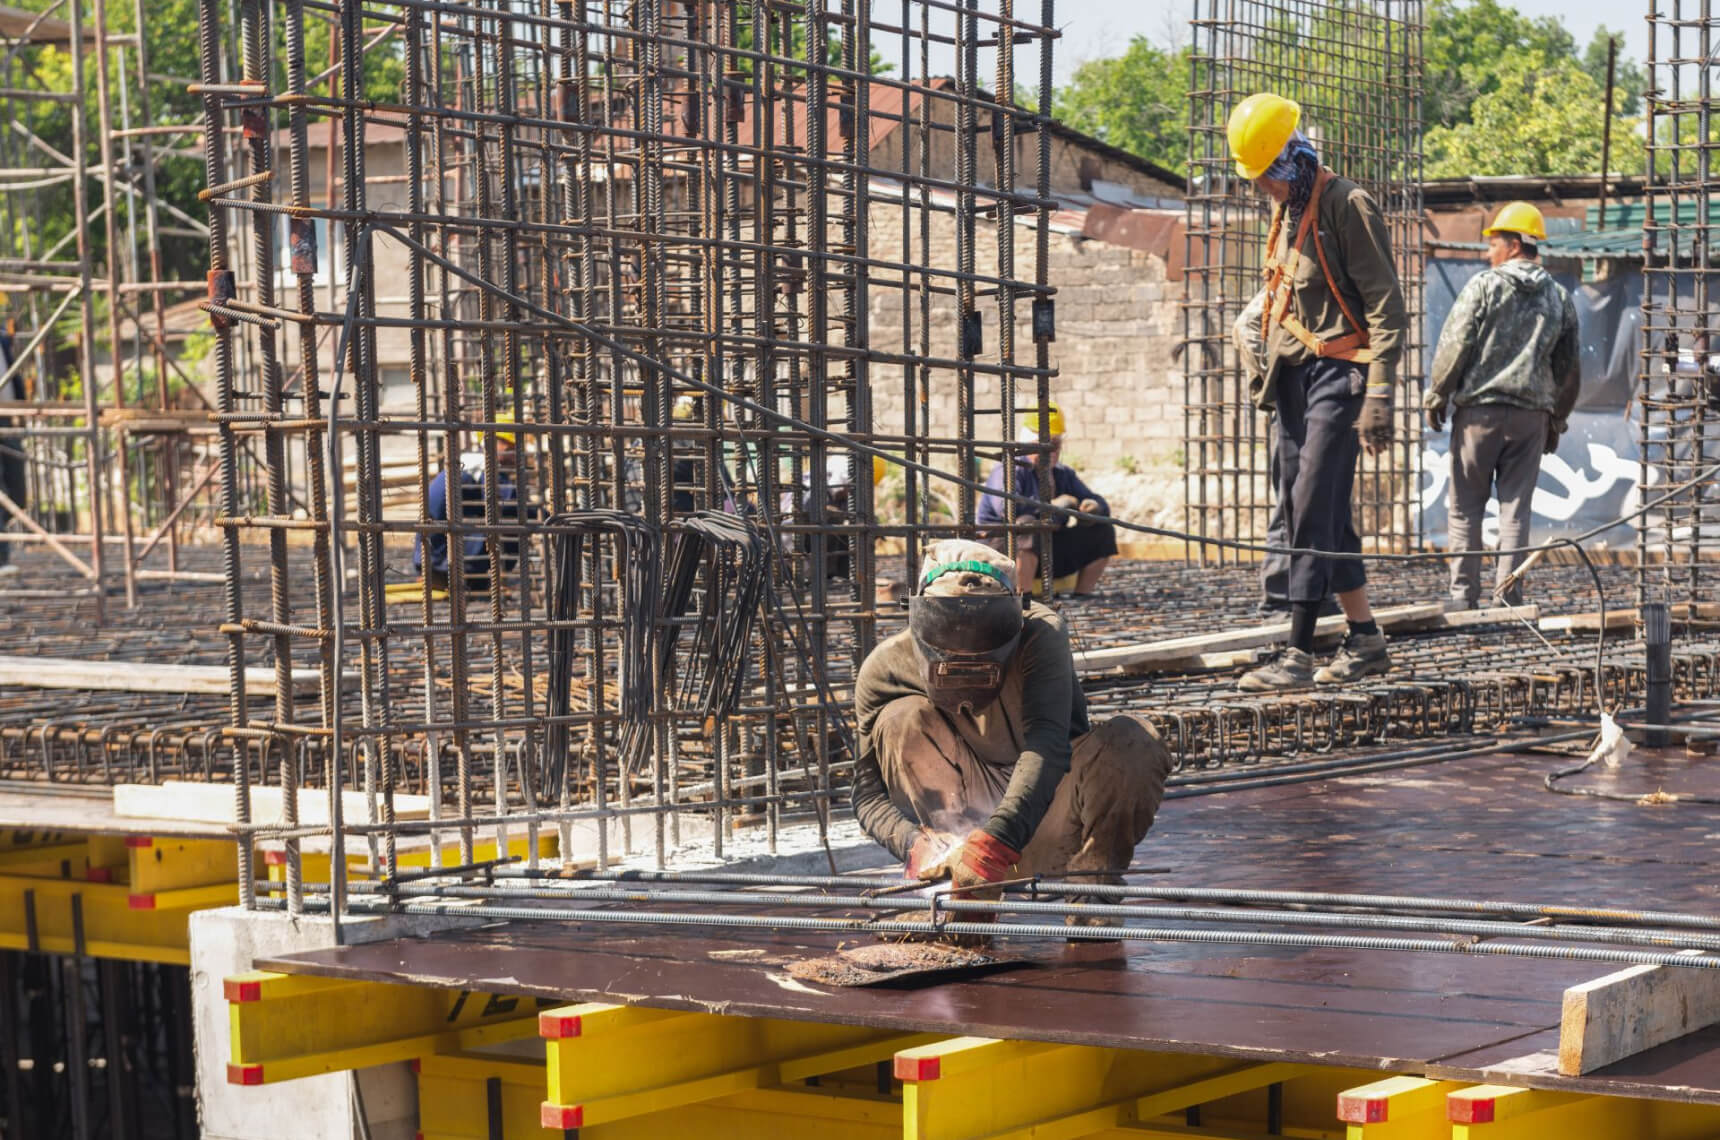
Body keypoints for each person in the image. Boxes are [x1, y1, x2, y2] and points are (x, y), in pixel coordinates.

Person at [850, 539, 1172, 917]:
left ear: (1015, 617)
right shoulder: (886, 668)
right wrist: (915, 846)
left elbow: (1048, 746)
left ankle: (1091, 887)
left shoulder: (1040, 635)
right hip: (959, 838)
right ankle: (964, 893)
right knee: (899, 718)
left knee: (1132, 742)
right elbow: (867, 796)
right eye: (950, 631)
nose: (964, 650)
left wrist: (997, 843)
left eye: (981, 635)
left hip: (1050, 814)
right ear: (919, 616)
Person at [1226, 92, 1408, 691]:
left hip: (1340, 377)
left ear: (1291, 162)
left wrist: (1378, 394)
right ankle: (1366, 641)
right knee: (1321, 511)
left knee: (1309, 509)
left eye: (1265, 177)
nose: (1260, 189)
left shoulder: (1344, 204)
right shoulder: (1287, 213)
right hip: (1298, 383)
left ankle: (1297, 654)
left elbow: (1386, 306)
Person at [1425, 202, 1579, 609]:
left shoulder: (1484, 286)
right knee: (1515, 511)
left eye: (1493, 243)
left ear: (1513, 246)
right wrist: (1555, 421)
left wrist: (1437, 393)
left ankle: (1462, 598)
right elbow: (1568, 368)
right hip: (1531, 419)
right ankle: (1508, 600)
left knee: (1465, 509)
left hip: (1480, 415)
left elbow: (1455, 344)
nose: (1488, 252)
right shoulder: (1560, 298)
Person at [976, 402, 1117, 596]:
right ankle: (1022, 600)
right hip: (1000, 551)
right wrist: (1053, 507)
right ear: (1029, 445)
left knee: (1103, 530)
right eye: (1044, 446)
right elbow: (1007, 509)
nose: (1050, 452)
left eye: (1055, 446)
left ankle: (1082, 596)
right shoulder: (1010, 470)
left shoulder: (1062, 474)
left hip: (1043, 549)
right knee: (1028, 525)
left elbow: (1096, 502)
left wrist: (1094, 507)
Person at [414, 411, 522, 591]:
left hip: (429, 558)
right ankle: (483, 582)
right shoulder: (484, 467)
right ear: (493, 443)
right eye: (509, 446)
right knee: (513, 525)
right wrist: (545, 514)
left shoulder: (467, 463)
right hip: (443, 562)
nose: (515, 452)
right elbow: (508, 504)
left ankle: (475, 579)